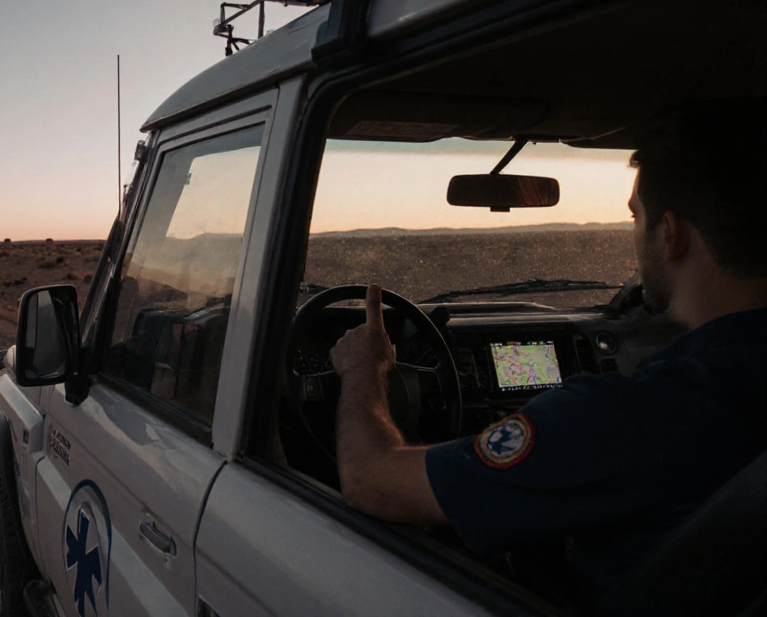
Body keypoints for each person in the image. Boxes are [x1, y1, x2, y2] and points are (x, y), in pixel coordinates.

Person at [329, 99, 767, 605]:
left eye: (636, 217)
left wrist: (365, 370)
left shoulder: (622, 419)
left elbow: (369, 479)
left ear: (670, 234)